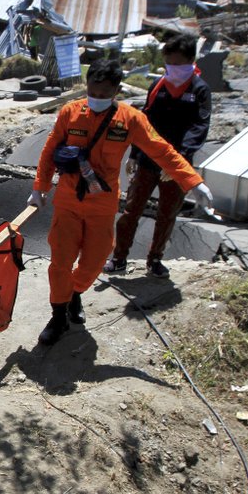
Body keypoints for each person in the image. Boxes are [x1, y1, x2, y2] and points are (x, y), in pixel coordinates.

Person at [27, 59, 214, 345]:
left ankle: (75, 291)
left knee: (96, 260)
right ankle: (58, 315)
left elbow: (161, 150)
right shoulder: (70, 112)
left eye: (105, 94)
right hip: (68, 201)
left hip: (103, 204)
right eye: (93, 91)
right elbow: (50, 148)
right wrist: (39, 188)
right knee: (60, 261)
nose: (97, 98)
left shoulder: (130, 119)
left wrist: (193, 181)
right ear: (87, 86)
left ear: (116, 91)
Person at [104, 34, 212, 279]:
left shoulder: (200, 90)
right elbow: (144, 122)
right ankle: (119, 258)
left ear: (190, 61)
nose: (173, 69)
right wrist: (134, 153)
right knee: (132, 209)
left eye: (177, 64)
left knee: (167, 213)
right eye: (169, 63)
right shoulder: (158, 87)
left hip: (178, 162)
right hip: (147, 160)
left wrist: (179, 160)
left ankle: (155, 260)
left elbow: (199, 126)